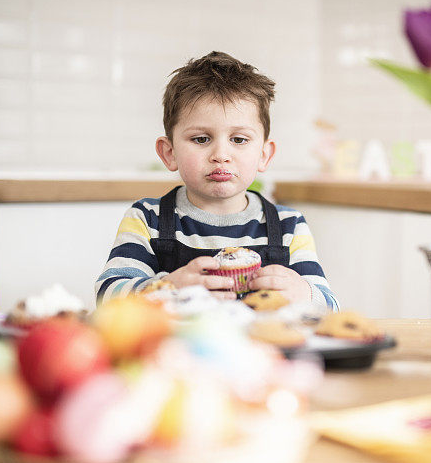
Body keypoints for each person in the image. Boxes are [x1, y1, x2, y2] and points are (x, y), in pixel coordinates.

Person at [95, 51, 339, 310]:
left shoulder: (290, 226)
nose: (221, 155)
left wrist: (304, 293)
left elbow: (329, 306)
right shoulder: (147, 219)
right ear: (170, 153)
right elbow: (107, 298)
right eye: (201, 139)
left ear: (264, 155)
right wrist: (168, 288)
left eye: (239, 140)